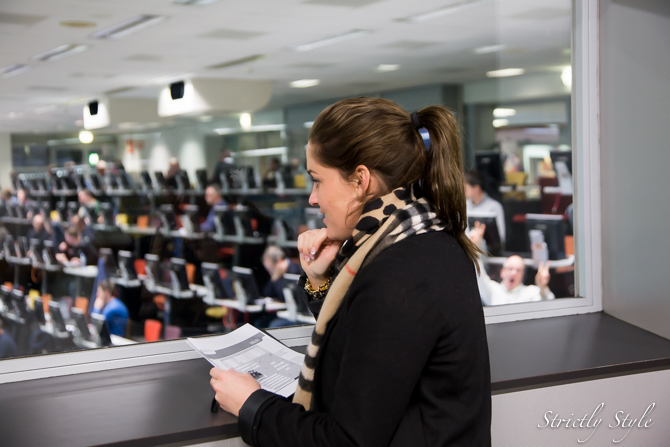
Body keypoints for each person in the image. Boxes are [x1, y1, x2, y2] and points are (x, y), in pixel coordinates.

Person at [209, 97, 491, 446]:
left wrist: (252, 405)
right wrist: (319, 281)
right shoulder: (424, 240)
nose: (313, 199)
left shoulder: (397, 275)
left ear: (360, 181)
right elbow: (372, 342)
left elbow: (346, 440)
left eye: (317, 180)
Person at [469, 222, 554, 305]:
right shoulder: (493, 290)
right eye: (510, 269)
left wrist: (543, 288)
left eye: (518, 270)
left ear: (523, 275)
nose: (513, 273)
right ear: (502, 272)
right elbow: (478, 274)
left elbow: (549, 305)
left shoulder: (530, 292)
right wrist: (473, 246)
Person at [465, 169, 506, 244]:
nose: (464, 192)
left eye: (466, 189)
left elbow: (501, 237)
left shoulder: (495, 207)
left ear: (476, 188)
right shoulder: (464, 206)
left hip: (490, 252)